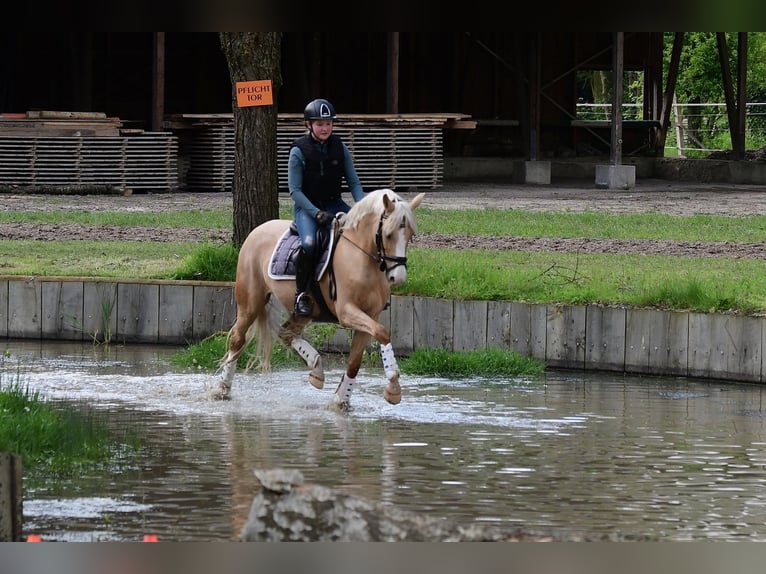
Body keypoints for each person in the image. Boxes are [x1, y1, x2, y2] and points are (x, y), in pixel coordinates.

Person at [287, 98, 365, 316]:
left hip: (335, 203)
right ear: (309, 125)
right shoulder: (298, 151)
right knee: (310, 244)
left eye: (328, 123)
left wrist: (363, 208)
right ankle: (301, 293)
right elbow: (294, 191)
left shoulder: (340, 147)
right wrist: (316, 213)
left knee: (365, 231)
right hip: (308, 208)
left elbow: (354, 183)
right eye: (320, 124)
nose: (325, 128)